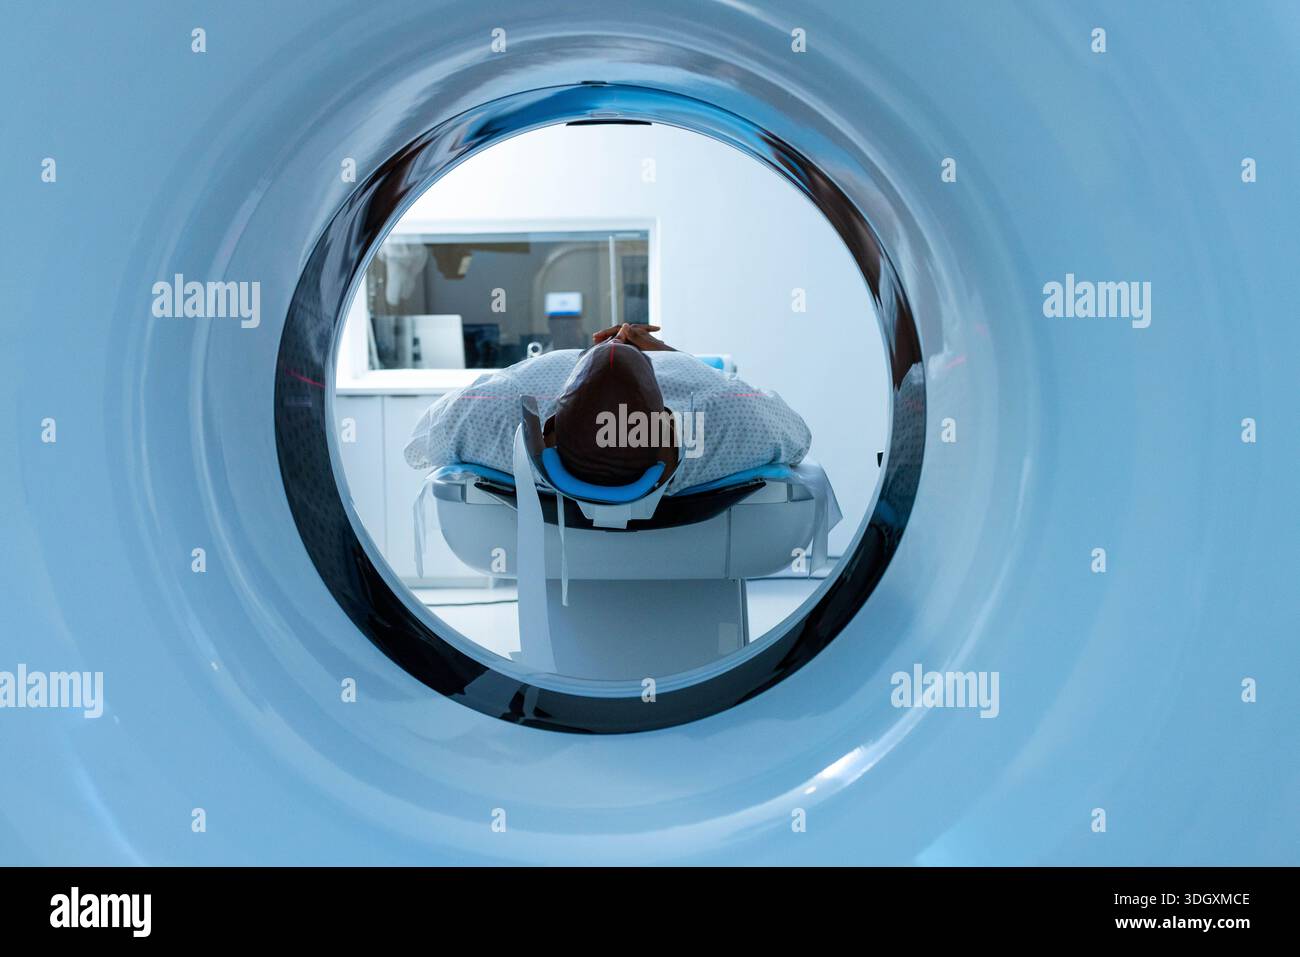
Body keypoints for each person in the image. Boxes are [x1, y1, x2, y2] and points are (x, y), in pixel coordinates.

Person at [404, 323, 811, 493]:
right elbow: (797, 435)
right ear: (670, 435)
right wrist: (675, 359)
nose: (613, 347)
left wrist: (567, 361)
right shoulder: (723, 418)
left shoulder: (496, 411)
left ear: (547, 430)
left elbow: (424, 442)